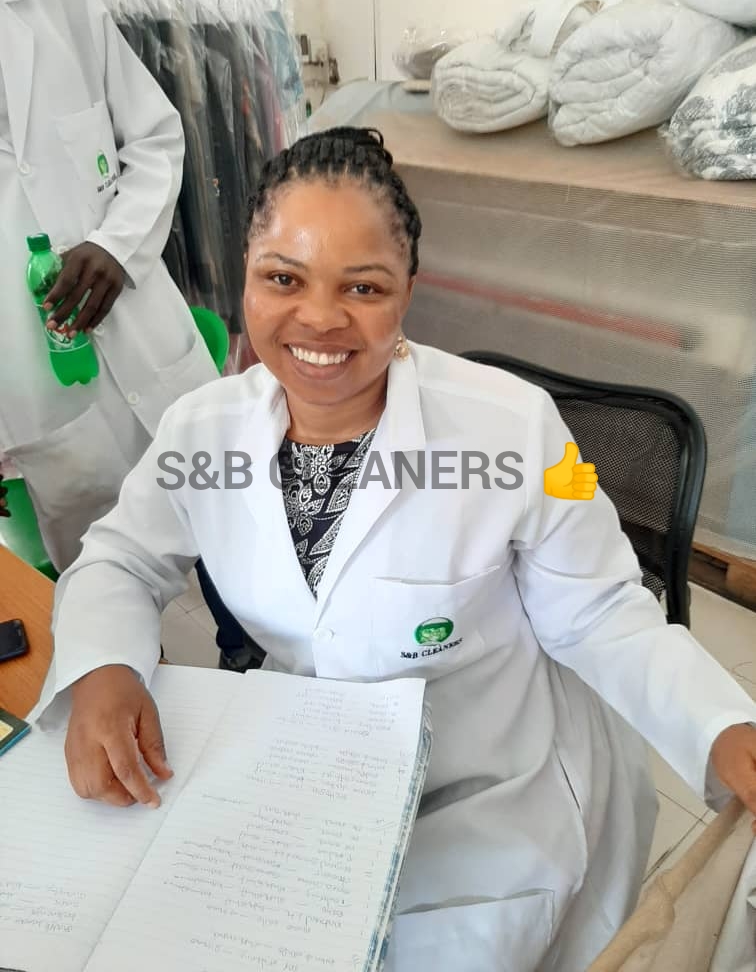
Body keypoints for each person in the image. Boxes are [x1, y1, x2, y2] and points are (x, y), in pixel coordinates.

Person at [34, 127, 756, 972]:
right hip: (323, 768)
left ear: (408, 291)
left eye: (363, 286)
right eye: (283, 278)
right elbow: (121, 556)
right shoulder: (203, 429)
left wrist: (719, 724)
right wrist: (104, 670)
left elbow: (600, 613)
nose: (319, 318)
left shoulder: (516, 427)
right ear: (246, 273)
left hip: (495, 794)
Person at [0, 0, 217, 572]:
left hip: (145, 338)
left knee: (234, 533)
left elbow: (155, 137)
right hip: (34, 392)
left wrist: (119, 245)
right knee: (107, 582)